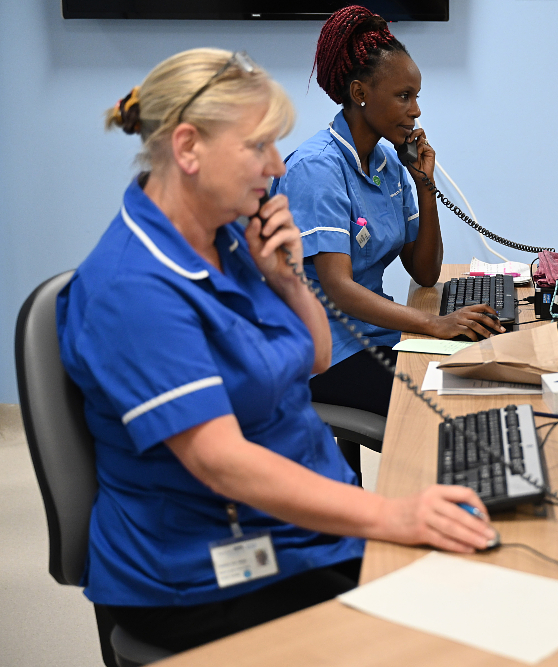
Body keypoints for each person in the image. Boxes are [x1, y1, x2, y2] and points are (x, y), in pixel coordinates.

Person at [57, 47, 496, 655]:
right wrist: (392, 516)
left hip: (290, 530)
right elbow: (221, 462)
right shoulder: (132, 291)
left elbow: (314, 359)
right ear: (187, 149)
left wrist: (289, 278)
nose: (277, 166)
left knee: (473, 587)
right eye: (258, 146)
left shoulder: (229, 236)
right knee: (434, 638)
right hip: (205, 570)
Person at [273, 6, 503, 443]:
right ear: (360, 92)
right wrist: (435, 324)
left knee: (478, 371)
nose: (415, 110)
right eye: (403, 96)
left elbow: (424, 271)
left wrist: (424, 185)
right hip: (324, 354)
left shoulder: (385, 161)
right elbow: (338, 288)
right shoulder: (316, 167)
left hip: (372, 336)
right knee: (449, 409)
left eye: (416, 96)